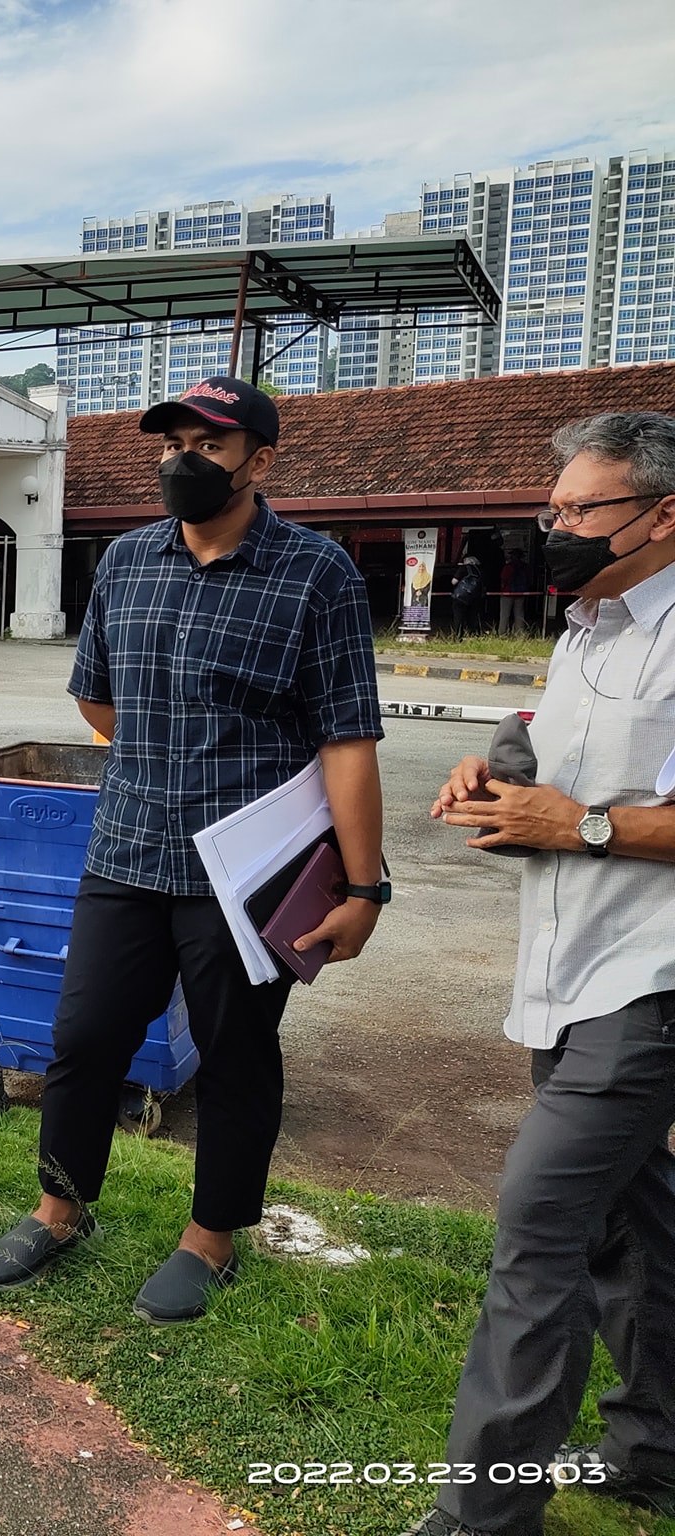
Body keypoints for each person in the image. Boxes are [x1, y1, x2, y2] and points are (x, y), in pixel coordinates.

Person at [0, 377, 387, 1324]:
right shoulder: (126, 559)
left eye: (208, 444)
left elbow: (348, 743)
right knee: (84, 1040)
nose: (182, 460)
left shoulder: (316, 575)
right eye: (172, 442)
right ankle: (59, 1208)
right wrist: (171, 752)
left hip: (248, 874)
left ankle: (212, 1238)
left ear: (260, 461)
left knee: (238, 1056)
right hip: (126, 851)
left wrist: (364, 886)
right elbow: (97, 699)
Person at [413, 411, 675, 1536]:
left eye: (579, 508)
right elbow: (551, 752)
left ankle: (481, 1516)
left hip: (648, 980)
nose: (554, 527)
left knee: (537, 1230)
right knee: (630, 1224)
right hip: (559, 973)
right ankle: (658, 1448)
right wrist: (496, 769)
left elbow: (594, 814)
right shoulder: (583, 628)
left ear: (660, 513)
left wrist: (582, 828)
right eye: (552, 507)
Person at [498, 548, 535, 636]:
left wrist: (502, 588)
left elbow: (503, 580)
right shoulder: (525, 567)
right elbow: (530, 580)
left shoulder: (508, 567)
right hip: (521, 593)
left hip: (507, 593)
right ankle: (519, 634)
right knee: (519, 615)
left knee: (504, 615)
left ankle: (502, 633)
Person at [452, 553, 486, 636]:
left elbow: (454, 582)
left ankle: (458, 635)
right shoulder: (479, 570)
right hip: (475, 598)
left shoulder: (463, 568)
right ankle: (473, 634)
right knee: (473, 616)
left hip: (461, 597)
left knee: (459, 617)